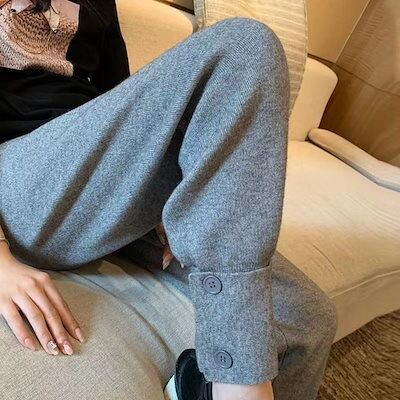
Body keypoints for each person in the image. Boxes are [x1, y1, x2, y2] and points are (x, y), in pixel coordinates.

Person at [0, 0, 338, 399]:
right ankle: (237, 385)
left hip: (100, 182)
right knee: (244, 45)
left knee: (308, 316)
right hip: (21, 180)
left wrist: (164, 191)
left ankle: (199, 387)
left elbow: (122, 100)